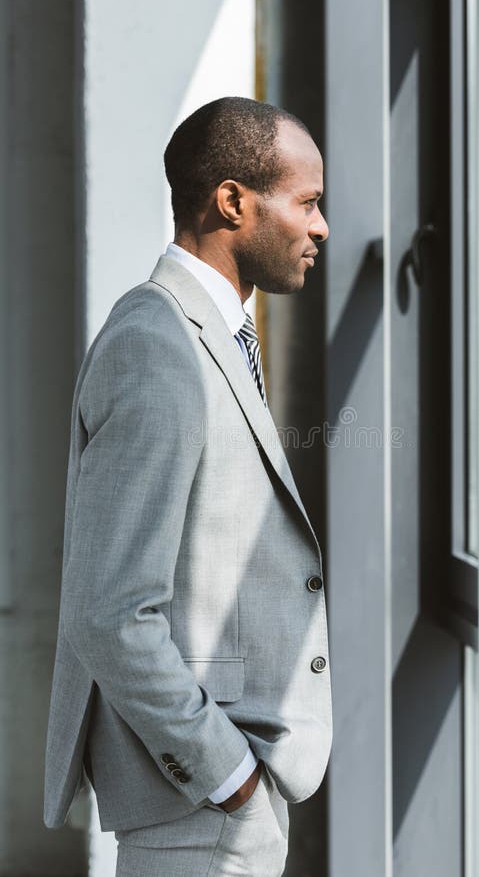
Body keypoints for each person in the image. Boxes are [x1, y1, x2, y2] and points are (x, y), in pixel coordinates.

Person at [43, 96, 332, 877]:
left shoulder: (209, 332)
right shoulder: (158, 344)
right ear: (233, 201)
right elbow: (109, 611)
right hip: (200, 808)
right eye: (306, 202)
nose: (320, 227)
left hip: (223, 797)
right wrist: (226, 778)